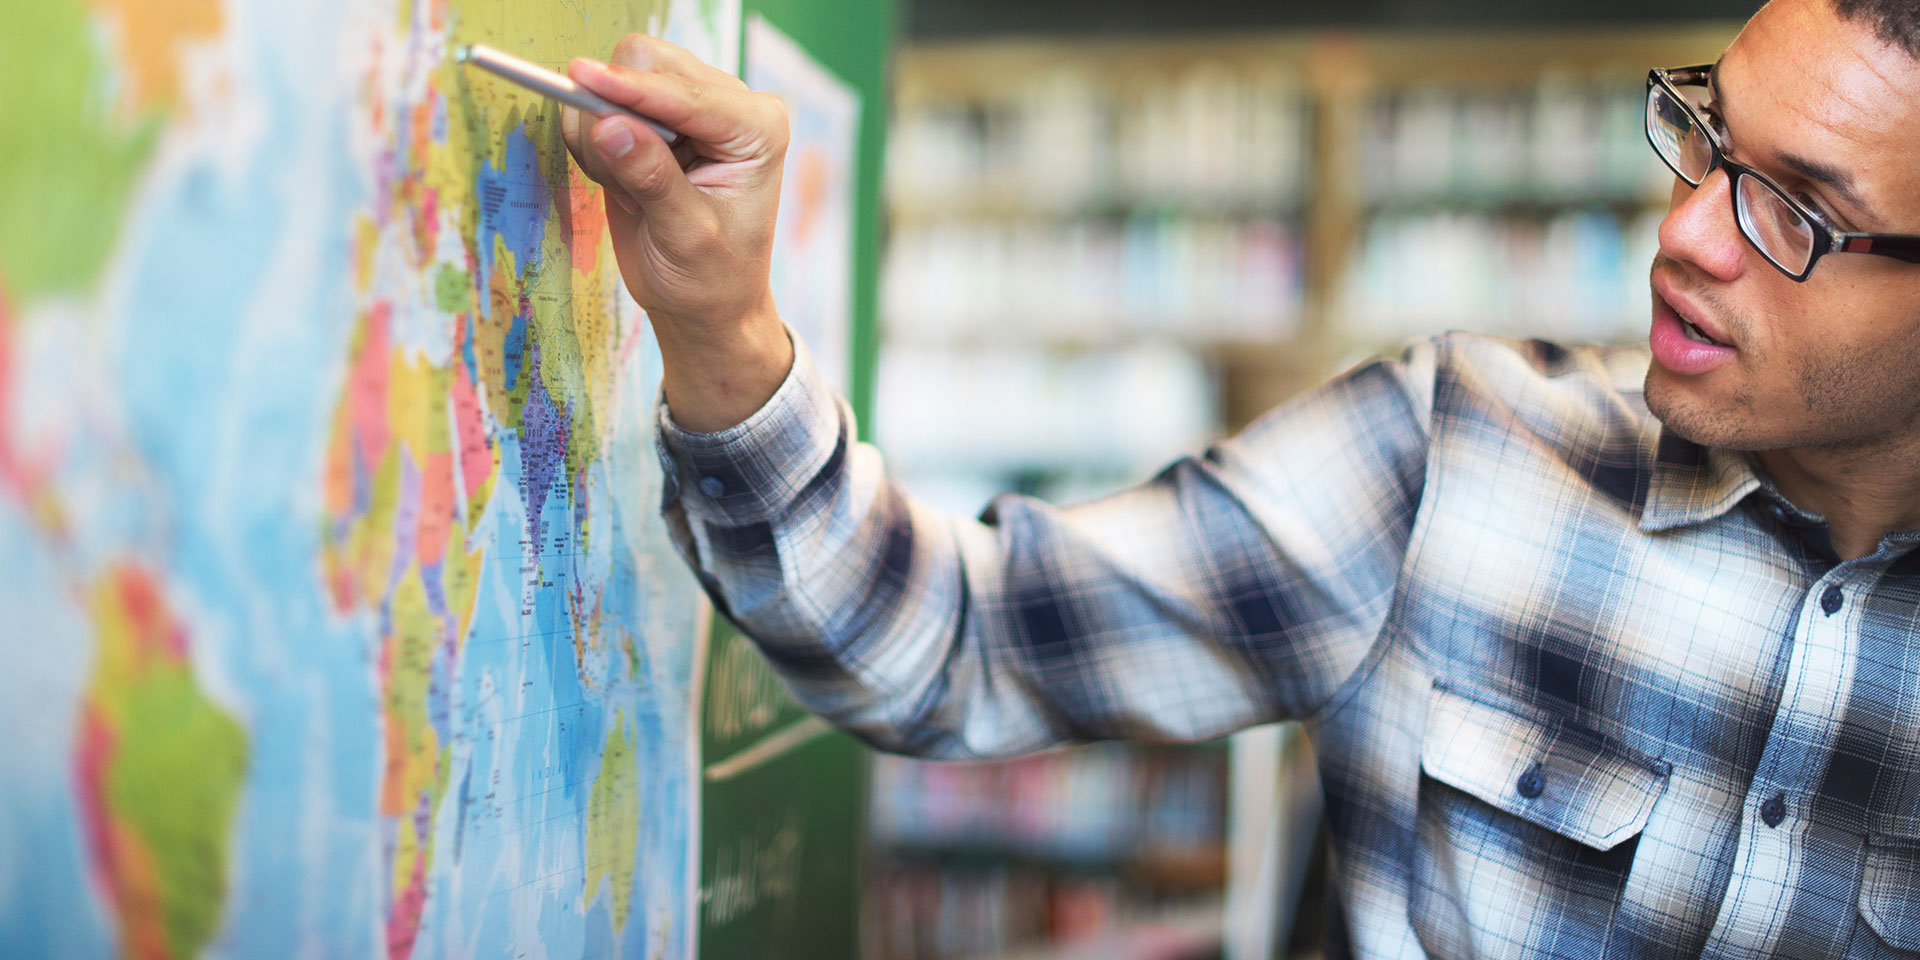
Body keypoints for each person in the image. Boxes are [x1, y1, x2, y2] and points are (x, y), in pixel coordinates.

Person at [558, 0, 1920, 954]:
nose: (1687, 232)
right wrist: (725, 328)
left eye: (1799, 210)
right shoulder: (1456, 452)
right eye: (1705, 136)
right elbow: (951, 639)